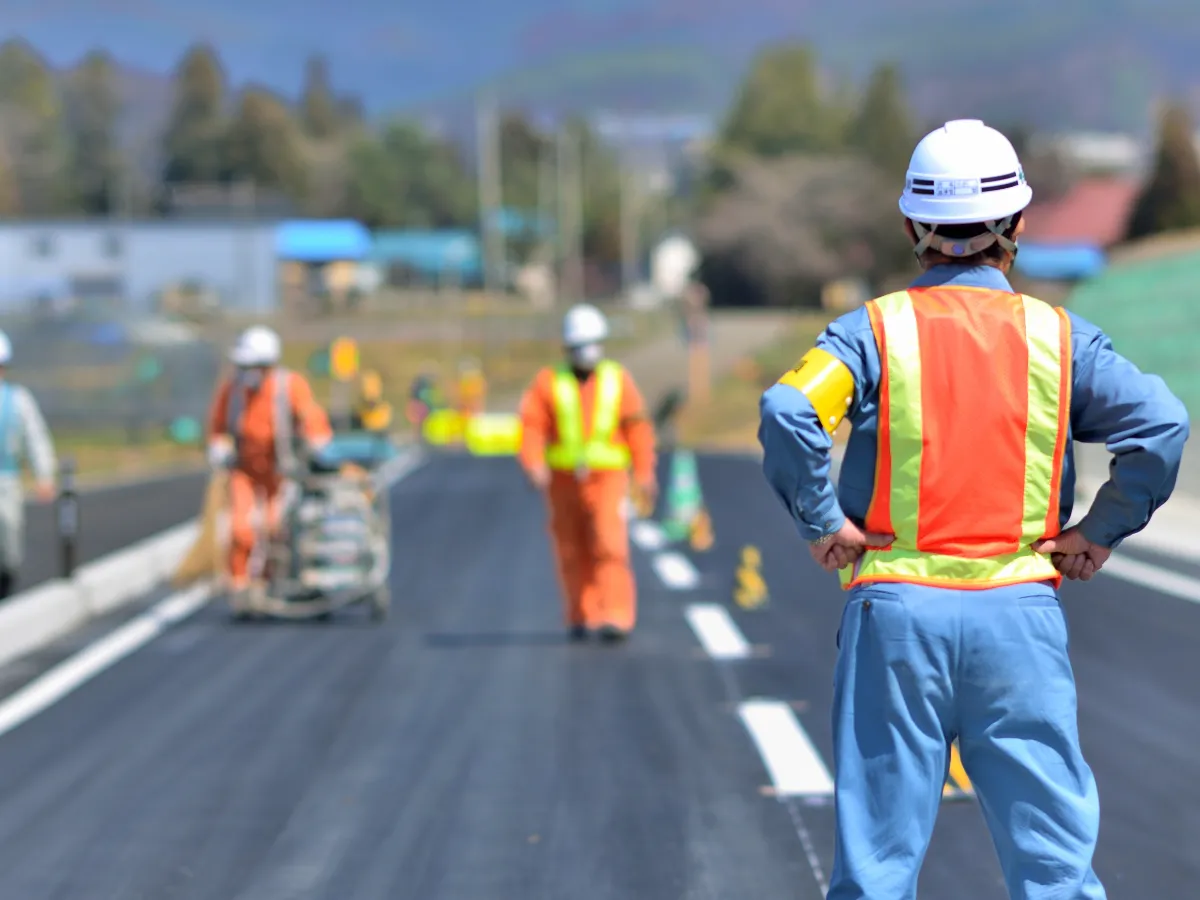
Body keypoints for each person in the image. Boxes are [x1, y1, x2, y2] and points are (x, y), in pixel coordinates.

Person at [758, 119, 1190, 900]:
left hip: (896, 618)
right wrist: (1099, 531)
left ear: (911, 228)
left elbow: (790, 411)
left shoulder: (873, 332)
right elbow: (1160, 425)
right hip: (1018, 618)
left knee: (877, 868)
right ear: (1017, 224)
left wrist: (823, 522)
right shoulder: (1059, 338)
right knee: (1053, 868)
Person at [518, 303, 658, 642]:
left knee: (609, 543)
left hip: (607, 477)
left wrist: (644, 472)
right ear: (568, 348)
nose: (587, 352)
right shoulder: (549, 381)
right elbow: (532, 425)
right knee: (570, 548)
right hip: (563, 479)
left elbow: (637, 428)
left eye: (592, 343)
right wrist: (532, 463)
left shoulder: (617, 380)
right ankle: (580, 615)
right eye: (580, 345)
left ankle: (615, 615)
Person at [207, 325, 333, 612]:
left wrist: (317, 442)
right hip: (244, 470)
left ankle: (267, 582)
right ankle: (240, 587)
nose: (248, 373)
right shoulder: (233, 390)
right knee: (241, 529)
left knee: (275, 528)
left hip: (280, 471)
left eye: (255, 367)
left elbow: (310, 416)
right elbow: (218, 425)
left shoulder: (289, 386)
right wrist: (218, 445)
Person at [0, 329, 56, 599]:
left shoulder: (17, 399)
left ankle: (6, 583)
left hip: (6, 480)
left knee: (9, 536)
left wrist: (44, 474)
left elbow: (36, 438)